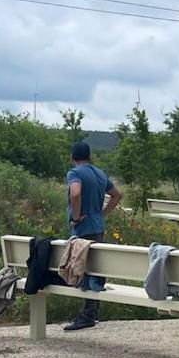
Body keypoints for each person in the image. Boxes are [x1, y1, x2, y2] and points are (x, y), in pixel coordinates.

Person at [63, 141, 122, 331]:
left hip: (82, 229)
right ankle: (91, 312)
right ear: (89, 156)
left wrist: (76, 217)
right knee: (94, 271)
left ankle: (87, 315)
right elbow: (117, 195)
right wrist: (102, 214)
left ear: (72, 157)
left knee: (84, 268)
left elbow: (75, 193)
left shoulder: (75, 173)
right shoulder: (100, 173)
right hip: (97, 226)